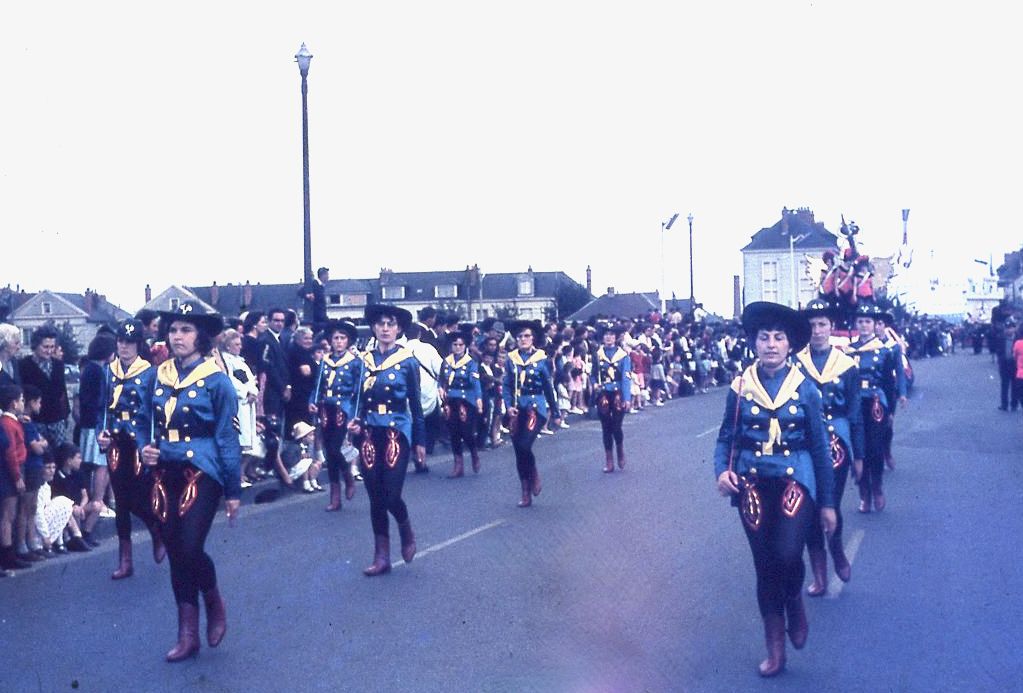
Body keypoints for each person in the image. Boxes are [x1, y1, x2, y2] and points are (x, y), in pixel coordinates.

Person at [713, 302, 836, 678]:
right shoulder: (740, 388)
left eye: (778, 338)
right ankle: (775, 649)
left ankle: (794, 599)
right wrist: (722, 472)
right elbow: (725, 439)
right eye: (764, 337)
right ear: (753, 343)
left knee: (786, 555)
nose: (770, 344)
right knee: (765, 565)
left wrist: (828, 503)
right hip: (751, 484)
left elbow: (819, 449)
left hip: (794, 480)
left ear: (789, 345)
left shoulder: (807, 391)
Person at [141, 301, 240, 661]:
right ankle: (187, 633)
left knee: (188, 546)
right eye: (173, 330)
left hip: (203, 471)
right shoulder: (157, 375)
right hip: (163, 471)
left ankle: (212, 598)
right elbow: (142, 422)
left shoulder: (217, 382)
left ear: (201, 337)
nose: (177, 336)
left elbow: (227, 438)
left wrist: (233, 490)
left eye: (185, 330)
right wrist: (144, 449)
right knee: (174, 549)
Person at [347, 304, 425, 576]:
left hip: (396, 432)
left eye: (391, 324)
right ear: (374, 328)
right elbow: (356, 398)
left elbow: (415, 405)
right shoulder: (363, 361)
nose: (385, 328)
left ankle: (406, 528)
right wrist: (354, 419)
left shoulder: (408, 361)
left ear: (399, 329)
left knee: (391, 494)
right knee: (375, 496)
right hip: (369, 432)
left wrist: (420, 442)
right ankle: (381, 556)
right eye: (380, 324)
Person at [794, 299, 864, 595]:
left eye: (822, 324)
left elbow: (855, 412)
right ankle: (820, 575)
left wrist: (858, 455)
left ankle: (836, 550)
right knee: (809, 510)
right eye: (811, 326)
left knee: (830, 503)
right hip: (805, 442)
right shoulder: (796, 363)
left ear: (831, 327)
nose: (817, 330)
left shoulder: (847, 365)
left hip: (837, 442)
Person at [96, 319, 165, 580]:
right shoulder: (108, 371)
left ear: (139, 345)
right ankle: (126, 561)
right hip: (115, 439)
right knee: (121, 502)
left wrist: (152, 442)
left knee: (138, 495)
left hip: (139, 440)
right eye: (121, 342)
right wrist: (100, 434)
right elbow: (102, 407)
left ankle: (156, 530)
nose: (124, 347)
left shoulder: (150, 373)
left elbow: (155, 410)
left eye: (130, 343)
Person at [846, 303, 902, 513]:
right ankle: (864, 494)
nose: (864, 325)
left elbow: (889, 382)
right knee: (858, 450)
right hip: (855, 404)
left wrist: (891, 412)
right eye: (860, 321)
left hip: (876, 404)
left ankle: (877, 486)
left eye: (868, 321)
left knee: (875, 449)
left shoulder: (885, 350)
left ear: (874, 324)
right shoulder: (848, 351)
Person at [502, 320, 561, 507]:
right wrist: (508, 405)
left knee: (525, 445)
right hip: (517, 409)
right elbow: (507, 385)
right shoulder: (511, 359)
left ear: (533, 338)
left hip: (536, 407)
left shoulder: (542, 359)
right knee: (519, 451)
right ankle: (525, 490)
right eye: (520, 336)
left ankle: (533, 472)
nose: (523, 339)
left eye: (526, 336)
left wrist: (556, 412)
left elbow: (548, 387)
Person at [308, 320, 361, 511]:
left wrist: (354, 415)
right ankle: (335, 497)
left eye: (342, 338)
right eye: (335, 338)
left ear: (348, 341)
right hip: (325, 409)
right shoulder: (325, 361)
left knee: (334, 448)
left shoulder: (356, 362)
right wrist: (312, 401)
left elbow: (359, 391)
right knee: (329, 453)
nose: (338, 342)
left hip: (343, 408)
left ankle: (347, 476)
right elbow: (317, 385)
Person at [439, 328, 483, 478]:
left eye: (461, 345)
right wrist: (440, 389)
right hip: (450, 400)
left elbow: (475, 382)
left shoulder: (471, 363)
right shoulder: (446, 362)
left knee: (466, 431)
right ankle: (458, 465)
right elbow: (441, 379)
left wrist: (478, 399)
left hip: (466, 400)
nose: (458, 348)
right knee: (454, 432)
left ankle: (474, 452)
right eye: (455, 345)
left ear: (465, 346)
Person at [591, 325, 631, 473]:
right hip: (603, 393)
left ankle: (620, 450)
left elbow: (627, 377)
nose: (608, 337)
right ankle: (609, 460)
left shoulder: (623, 355)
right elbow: (593, 374)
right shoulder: (597, 354)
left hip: (618, 394)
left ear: (616, 337)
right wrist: (594, 383)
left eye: (611, 335)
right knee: (605, 427)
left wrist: (627, 398)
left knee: (616, 426)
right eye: (606, 335)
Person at [0, 384, 30, 570]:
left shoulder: (10, 422)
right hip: (12, 471)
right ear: (13, 403)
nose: (22, 403)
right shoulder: (8, 424)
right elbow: (10, 452)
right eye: (20, 400)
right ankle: (7, 556)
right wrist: (17, 477)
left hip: (15, 469)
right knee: (7, 516)